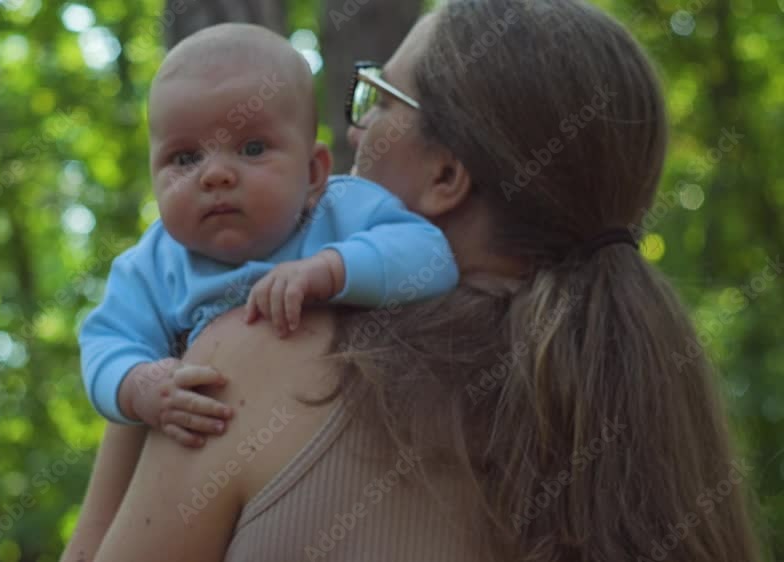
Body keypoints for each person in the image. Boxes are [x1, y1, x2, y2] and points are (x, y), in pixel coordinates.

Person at [63, 1, 762, 560]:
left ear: (445, 176)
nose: (356, 132)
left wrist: (152, 380)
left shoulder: (257, 353)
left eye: (379, 98)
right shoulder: (651, 422)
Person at [78, 23, 457, 447]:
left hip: (347, 445)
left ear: (313, 174)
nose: (215, 174)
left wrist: (332, 269)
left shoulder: (342, 210)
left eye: (252, 149)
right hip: (219, 457)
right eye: (185, 158)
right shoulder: (152, 265)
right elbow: (107, 343)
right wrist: (139, 385)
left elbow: (432, 256)